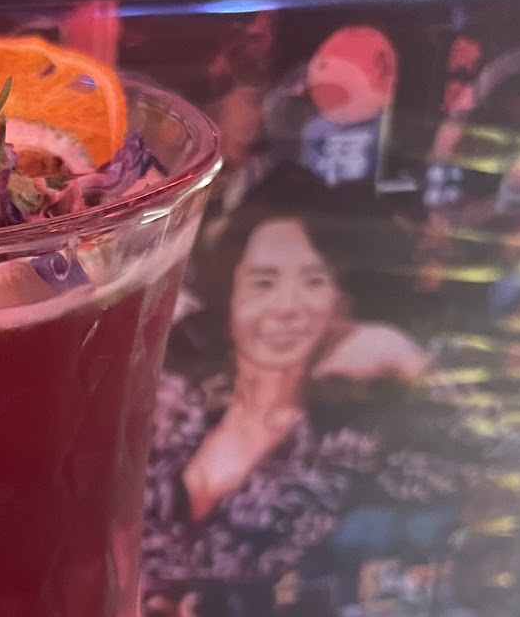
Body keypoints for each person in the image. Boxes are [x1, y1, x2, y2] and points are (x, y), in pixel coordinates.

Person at [142, 163, 477, 616]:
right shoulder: (171, 390)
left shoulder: (350, 446)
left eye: (314, 282)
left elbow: (497, 466)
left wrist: (406, 359)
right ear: (230, 292)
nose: (286, 307)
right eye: (263, 282)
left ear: (341, 303)